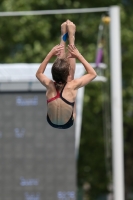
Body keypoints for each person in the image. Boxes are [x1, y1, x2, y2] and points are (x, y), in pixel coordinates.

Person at [36, 20, 97, 129]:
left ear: (52, 75)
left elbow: (39, 73)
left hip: (51, 121)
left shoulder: (50, 85)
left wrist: (50, 54)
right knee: (70, 82)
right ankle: (71, 41)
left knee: (65, 74)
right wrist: (78, 55)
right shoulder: (71, 85)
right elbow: (93, 74)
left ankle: (65, 39)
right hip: (67, 122)